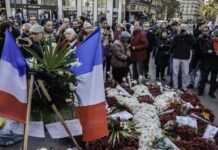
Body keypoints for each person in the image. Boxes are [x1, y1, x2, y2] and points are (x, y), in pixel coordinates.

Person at [171, 25, 194, 90]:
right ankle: (175, 86)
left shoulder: (189, 36)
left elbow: (194, 42)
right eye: (182, 28)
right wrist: (178, 33)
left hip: (185, 57)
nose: (183, 29)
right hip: (176, 56)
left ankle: (184, 86)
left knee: (185, 73)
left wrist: (189, 34)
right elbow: (172, 44)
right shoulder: (177, 36)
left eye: (184, 28)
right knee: (175, 72)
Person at [197, 26, 216, 98]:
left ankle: (211, 92)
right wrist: (209, 51)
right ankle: (201, 90)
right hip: (207, 62)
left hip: (215, 64)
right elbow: (203, 50)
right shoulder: (207, 40)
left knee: (213, 79)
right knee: (204, 78)